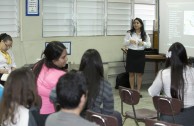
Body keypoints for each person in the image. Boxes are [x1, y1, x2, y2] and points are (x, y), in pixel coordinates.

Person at [148, 42, 194, 126]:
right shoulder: (193, 71)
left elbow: (152, 92)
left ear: (169, 57)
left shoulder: (163, 73)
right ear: (185, 57)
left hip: (170, 119)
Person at [79, 49, 122, 126]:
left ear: (82, 64)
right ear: (99, 65)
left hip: (75, 119)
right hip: (94, 120)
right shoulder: (105, 85)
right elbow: (108, 114)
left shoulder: (72, 79)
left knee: (117, 114)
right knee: (117, 115)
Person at [33, 41, 67, 126]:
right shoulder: (58, 75)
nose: (66, 59)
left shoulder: (39, 64)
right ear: (54, 60)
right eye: (63, 57)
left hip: (35, 111)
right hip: (48, 114)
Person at [124, 17, 151, 96]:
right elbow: (124, 42)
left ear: (141, 25)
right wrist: (129, 41)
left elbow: (149, 45)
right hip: (131, 53)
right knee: (131, 73)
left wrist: (143, 43)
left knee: (139, 74)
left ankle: (138, 91)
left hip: (140, 54)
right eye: (134, 23)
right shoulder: (129, 33)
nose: (135, 24)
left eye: (137, 23)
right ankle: (132, 91)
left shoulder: (145, 34)